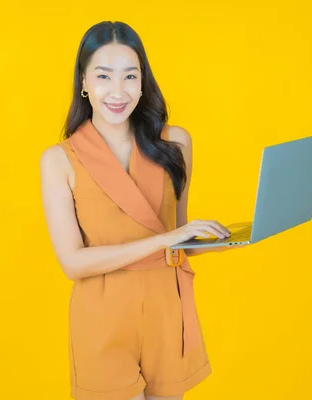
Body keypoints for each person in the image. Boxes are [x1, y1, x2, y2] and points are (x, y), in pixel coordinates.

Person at [40, 21, 245, 400]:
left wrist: (234, 237)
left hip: (166, 307)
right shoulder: (59, 160)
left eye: (130, 76)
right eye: (104, 76)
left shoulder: (175, 142)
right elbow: (73, 262)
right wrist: (168, 239)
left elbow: (181, 237)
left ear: (142, 81)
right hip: (103, 315)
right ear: (84, 82)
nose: (118, 92)